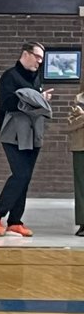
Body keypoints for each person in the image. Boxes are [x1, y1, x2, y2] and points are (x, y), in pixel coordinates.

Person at [0, 41, 53, 236]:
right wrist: (34, 99)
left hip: (33, 135)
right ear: (25, 54)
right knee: (20, 174)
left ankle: (15, 221)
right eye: (37, 57)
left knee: (26, 178)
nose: (39, 62)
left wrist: (40, 99)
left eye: (42, 58)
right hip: (13, 135)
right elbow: (7, 103)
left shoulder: (36, 78)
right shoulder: (10, 76)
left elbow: (33, 101)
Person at [66, 90, 84, 236]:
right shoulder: (79, 101)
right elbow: (70, 124)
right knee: (81, 186)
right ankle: (83, 222)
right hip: (80, 148)